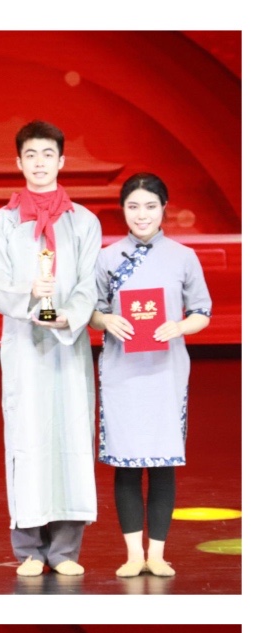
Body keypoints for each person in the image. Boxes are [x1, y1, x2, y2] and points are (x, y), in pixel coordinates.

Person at [0, 121, 101, 576]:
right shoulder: (2, 223)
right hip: (24, 346)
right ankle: (29, 548)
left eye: (48, 154)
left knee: (70, 436)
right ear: (19, 162)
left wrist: (70, 315)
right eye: (31, 155)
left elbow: (89, 281)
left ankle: (65, 550)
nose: (40, 163)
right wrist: (28, 292)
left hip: (68, 344)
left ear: (62, 161)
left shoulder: (83, 221)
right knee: (27, 438)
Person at [92, 173, 213, 579]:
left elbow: (202, 312)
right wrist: (105, 319)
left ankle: (157, 554)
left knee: (162, 462)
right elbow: (91, 310)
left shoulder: (183, 257)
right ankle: (132, 554)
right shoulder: (107, 258)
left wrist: (179, 326)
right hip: (122, 371)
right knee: (126, 463)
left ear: (164, 208)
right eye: (133, 206)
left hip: (166, 372)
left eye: (149, 206)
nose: (141, 214)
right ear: (122, 210)